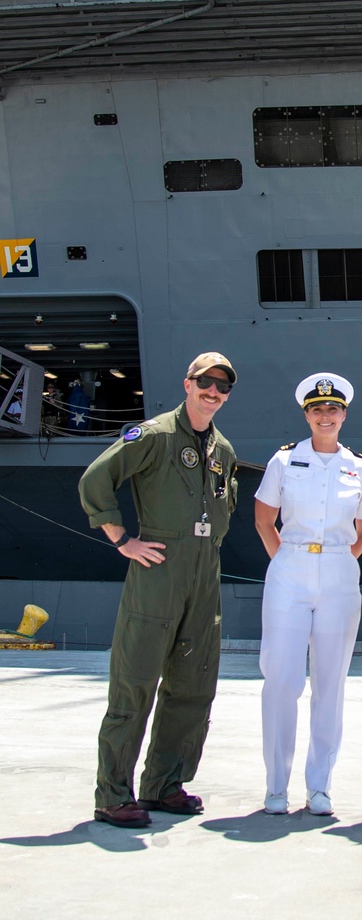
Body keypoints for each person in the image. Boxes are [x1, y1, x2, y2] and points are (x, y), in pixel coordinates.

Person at [79, 352, 238, 827]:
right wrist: (121, 539)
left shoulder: (223, 450)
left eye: (222, 387)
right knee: (135, 681)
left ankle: (164, 784)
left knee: (193, 686)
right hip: (159, 568)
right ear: (187, 383)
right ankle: (111, 795)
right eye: (206, 382)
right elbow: (95, 480)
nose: (213, 392)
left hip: (204, 571)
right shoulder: (152, 435)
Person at [254, 373, 362, 816]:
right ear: (306, 414)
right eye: (318, 409)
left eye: (334, 409)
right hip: (291, 566)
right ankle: (276, 785)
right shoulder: (284, 461)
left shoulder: (360, 467)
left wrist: (344, 560)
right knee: (281, 679)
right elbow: (265, 520)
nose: (326, 416)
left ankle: (319, 785)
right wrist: (286, 560)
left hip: (340, 570)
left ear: (344, 414)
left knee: (330, 683)